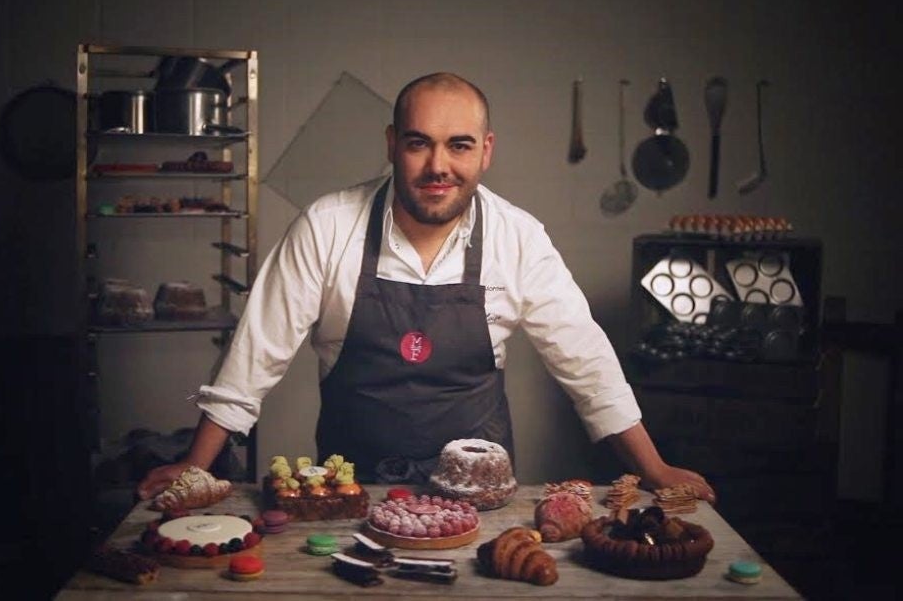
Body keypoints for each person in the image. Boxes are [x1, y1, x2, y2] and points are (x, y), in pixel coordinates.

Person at [138, 72, 716, 503]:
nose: (439, 165)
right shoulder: (328, 225)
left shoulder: (518, 238)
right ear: (392, 144)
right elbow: (254, 354)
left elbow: (586, 362)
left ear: (485, 151)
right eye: (419, 143)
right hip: (350, 497)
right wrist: (196, 464)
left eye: (459, 145)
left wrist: (656, 470)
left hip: (481, 502)